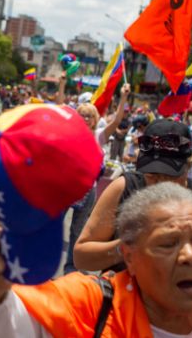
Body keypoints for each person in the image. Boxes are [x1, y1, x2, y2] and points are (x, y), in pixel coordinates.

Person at [0, 182, 192, 337]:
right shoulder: (87, 307)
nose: (190, 256)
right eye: (168, 243)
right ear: (128, 256)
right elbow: (1, 326)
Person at [73, 119, 192, 300]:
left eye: (169, 175)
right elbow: (81, 257)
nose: (160, 183)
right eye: (152, 175)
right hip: (120, 309)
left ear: (188, 166)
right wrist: (127, 247)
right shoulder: (124, 188)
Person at [63, 84, 130, 274]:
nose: (85, 119)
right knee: (53, 227)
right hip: (66, 188)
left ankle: (71, 270)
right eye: (82, 115)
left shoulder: (99, 136)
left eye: (89, 116)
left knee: (77, 231)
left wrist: (123, 98)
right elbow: (59, 106)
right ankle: (44, 264)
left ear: (95, 120)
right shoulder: (69, 134)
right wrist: (62, 84)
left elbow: (117, 121)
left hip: (87, 191)